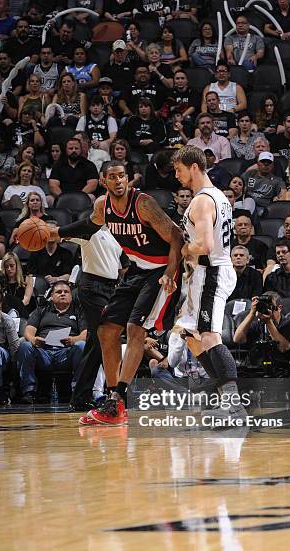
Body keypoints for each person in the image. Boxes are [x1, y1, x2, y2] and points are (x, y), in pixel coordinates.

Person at [51, 160, 183, 426]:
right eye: (112, 177)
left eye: (122, 176)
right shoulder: (103, 206)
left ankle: (117, 399)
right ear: (103, 181)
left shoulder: (143, 203)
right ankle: (114, 400)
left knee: (135, 329)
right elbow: (89, 227)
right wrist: (56, 232)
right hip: (137, 271)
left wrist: (170, 272)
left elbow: (177, 236)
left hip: (160, 271)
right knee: (106, 330)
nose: (119, 181)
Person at [173, 145, 249, 422]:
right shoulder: (218, 196)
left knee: (209, 336)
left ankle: (234, 405)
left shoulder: (204, 200)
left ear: (194, 167)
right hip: (207, 273)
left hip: (211, 272)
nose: (177, 176)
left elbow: (204, 245)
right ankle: (222, 394)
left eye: (179, 170)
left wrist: (184, 249)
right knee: (189, 335)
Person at [65, 226, 128, 411]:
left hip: (111, 288)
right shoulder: (88, 230)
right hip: (92, 286)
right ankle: (113, 393)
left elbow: (123, 265)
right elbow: (64, 234)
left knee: (96, 341)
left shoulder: (116, 234)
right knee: (105, 338)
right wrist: (49, 231)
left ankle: (81, 397)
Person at [17, 281, 87, 403]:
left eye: (66, 292)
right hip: (44, 352)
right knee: (25, 346)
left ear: (71, 295)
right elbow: (28, 331)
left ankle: (77, 390)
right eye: (59, 292)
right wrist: (34, 340)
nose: (63, 294)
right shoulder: (42, 310)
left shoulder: (78, 310)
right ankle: (29, 391)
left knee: (81, 345)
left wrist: (73, 340)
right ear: (52, 296)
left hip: (67, 353)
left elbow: (85, 334)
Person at [233, 291, 290, 377]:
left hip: (280, 370)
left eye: (269, 306)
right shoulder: (257, 324)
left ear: (279, 308)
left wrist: (268, 322)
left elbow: (284, 348)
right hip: (256, 368)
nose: (266, 309)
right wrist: (252, 313)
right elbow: (237, 339)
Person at [49, 138, 99, 202]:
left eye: (76, 148)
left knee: (91, 197)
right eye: (71, 148)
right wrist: (63, 198)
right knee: (49, 199)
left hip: (82, 197)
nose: (74, 151)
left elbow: (92, 185)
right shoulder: (58, 165)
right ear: (66, 150)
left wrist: (78, 197)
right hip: (62, 198)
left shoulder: (89, 165)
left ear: (81, 150)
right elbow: (53, 185)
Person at [26, 220, 74, 287]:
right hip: (39, 287)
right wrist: (42, 280)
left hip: (60, 286)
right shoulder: (35, 253)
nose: (51, 233)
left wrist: (57, 279)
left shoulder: (66, 254)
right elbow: (30, 275)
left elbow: (69, 275)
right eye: (48, 231)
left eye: (53, 231)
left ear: (58, 233)